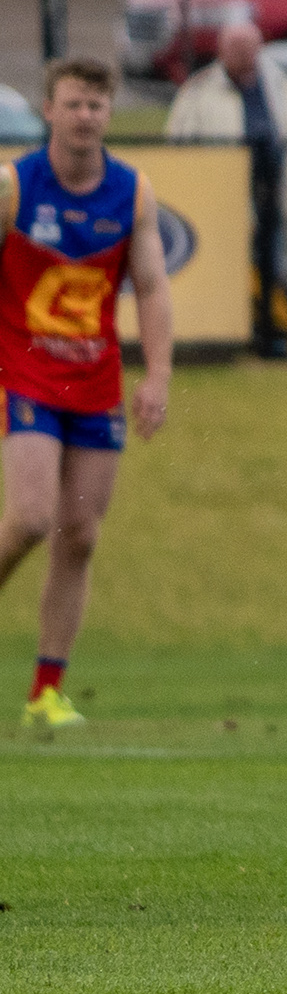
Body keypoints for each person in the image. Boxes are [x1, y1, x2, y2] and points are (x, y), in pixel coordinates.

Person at [5, 57, 171, 733]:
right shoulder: (15, 186)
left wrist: (157, 375)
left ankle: (46, 692)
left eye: (97, 105)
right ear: (48, 110)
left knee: (80, 537)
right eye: (73, 103)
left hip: (95, 383)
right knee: (30, 516)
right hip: (23, 374)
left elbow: (152, 288)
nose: (86, 116)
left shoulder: (132, 193)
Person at [162, 16, 287, 357]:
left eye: (248, 47)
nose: (243, 54)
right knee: (226, 268)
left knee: (270, 266)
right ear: (221, 50)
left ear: (260, 48)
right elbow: (177, 144)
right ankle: (226, 337)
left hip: (272, 192)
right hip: (219, 199)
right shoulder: (198, 91)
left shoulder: (283, 87)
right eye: (235, 47)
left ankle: (270, 336)